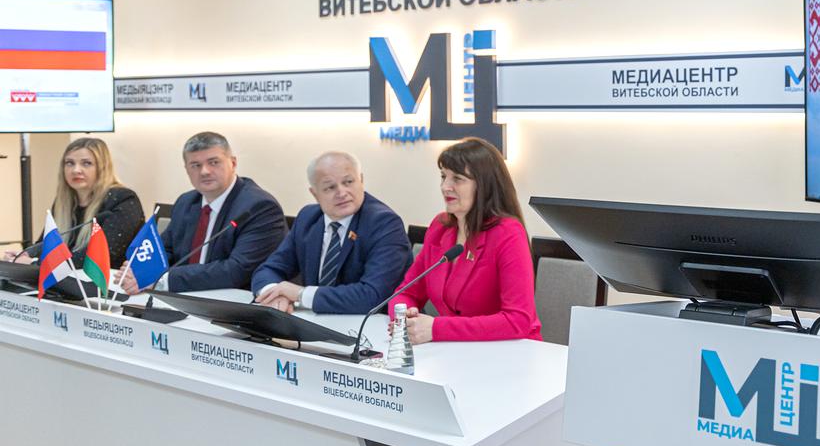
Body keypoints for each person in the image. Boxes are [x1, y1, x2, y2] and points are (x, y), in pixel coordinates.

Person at [389, 137, 541, 343]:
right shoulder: (440, 227)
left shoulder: (508, 233)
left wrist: (436, 329)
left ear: (484, 186)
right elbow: (405, 293)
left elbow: (517, 321)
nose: (445, 186)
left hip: (510, 351)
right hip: (455, 350)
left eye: (457, 179)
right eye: (443, 176)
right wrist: (405, 319)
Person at [121, 131, 286, 294]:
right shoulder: (186, 202)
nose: (205, 171)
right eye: (196, 165)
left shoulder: (259, 207)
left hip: (232, 301)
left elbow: (236, 270)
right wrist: (140, 270)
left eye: (214, 162)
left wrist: (164, 281)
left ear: (233, 163)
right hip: (182, 296)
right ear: (187, 170)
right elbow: (166, 250)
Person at [251, 151, 411, 315]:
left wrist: (300, 294)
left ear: (361, 180)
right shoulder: (308, 218)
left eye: (348, 182)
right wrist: (275, 295)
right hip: (313, 320)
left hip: (367, 324)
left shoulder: (384, 224)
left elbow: (372, 296)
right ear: (315, 193)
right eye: (330, 187)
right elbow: (268, 270)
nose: (342, 193)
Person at [3, 138, 143, 268]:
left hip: (109, 284)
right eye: (69, 163)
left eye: (86, 163)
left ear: (102, 168)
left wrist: (35, 263)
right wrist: (24, 255)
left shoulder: (123, 200)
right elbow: (45, 244)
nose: (76, 170)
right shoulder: (64, 203)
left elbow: (98, 257)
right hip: (66, 282)